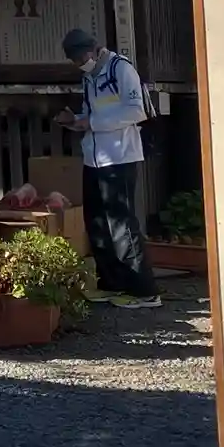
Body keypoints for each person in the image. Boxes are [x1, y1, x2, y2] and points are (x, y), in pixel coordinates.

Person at [57, 28, 160, 307]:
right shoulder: (89, 77)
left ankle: (143, 290)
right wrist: (75, 120)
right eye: (75, 61)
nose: (80, 64)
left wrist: (91, 122)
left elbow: (137, 110)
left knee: (121, 224)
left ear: (93, 50)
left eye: (81, 58)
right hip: (94, 157)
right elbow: (93, 115)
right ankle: (112, 283)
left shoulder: (120, 68)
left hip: (121, 157)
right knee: (97, 222)